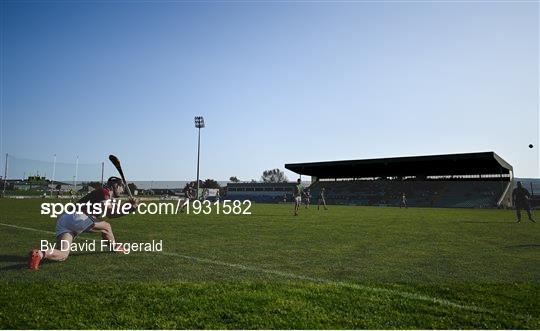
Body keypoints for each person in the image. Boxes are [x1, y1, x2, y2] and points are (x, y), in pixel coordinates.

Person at [28, 177, 139, 270]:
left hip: (66, 219)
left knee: (63, 254)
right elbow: (111, 213)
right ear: (116, 185)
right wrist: (131, 209)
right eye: (122, 187)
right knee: (106, 227)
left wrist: (129, 206)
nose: (122, 190)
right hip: (78, 217)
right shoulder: (105, 192)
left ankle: (40, 254)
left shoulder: (105, 195)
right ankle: (115, 247)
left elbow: (114, 209)